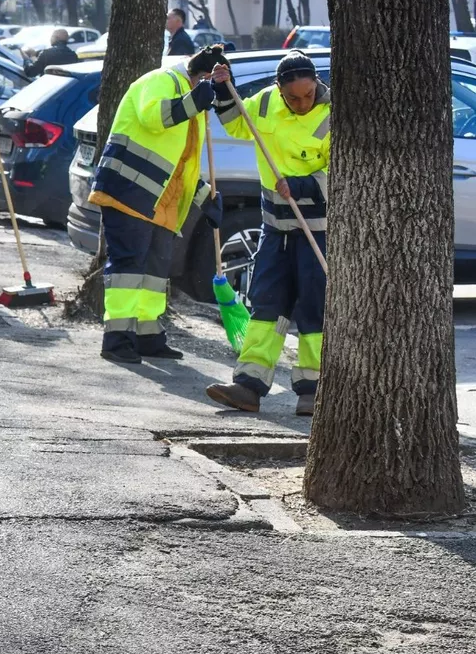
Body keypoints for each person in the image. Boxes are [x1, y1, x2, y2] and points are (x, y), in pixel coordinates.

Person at [205, 51, 330, 416]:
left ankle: (313, 389)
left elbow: (344, 174)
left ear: (317, 84)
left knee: (314, 307)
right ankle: (248, 385)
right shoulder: (263, 103)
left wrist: (301, 184)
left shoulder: (333, 114)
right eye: (293, 97)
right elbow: (233, 121)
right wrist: (222, 89)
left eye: (308, 94)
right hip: (276, 228)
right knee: (266, 305)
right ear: (279, 89)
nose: (302, 103)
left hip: (316, 231)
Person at [88, 45, 229, 364]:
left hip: (160, 197)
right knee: (129, 265)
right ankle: (117, 338)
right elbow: (154, 119)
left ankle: (147, 334)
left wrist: (205, 198)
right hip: (129, 190)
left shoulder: (192, 102)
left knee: (154, 270)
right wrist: (198, 99)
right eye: (211, 85)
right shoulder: (161, 81)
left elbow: (181, 163)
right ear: (202, 76)